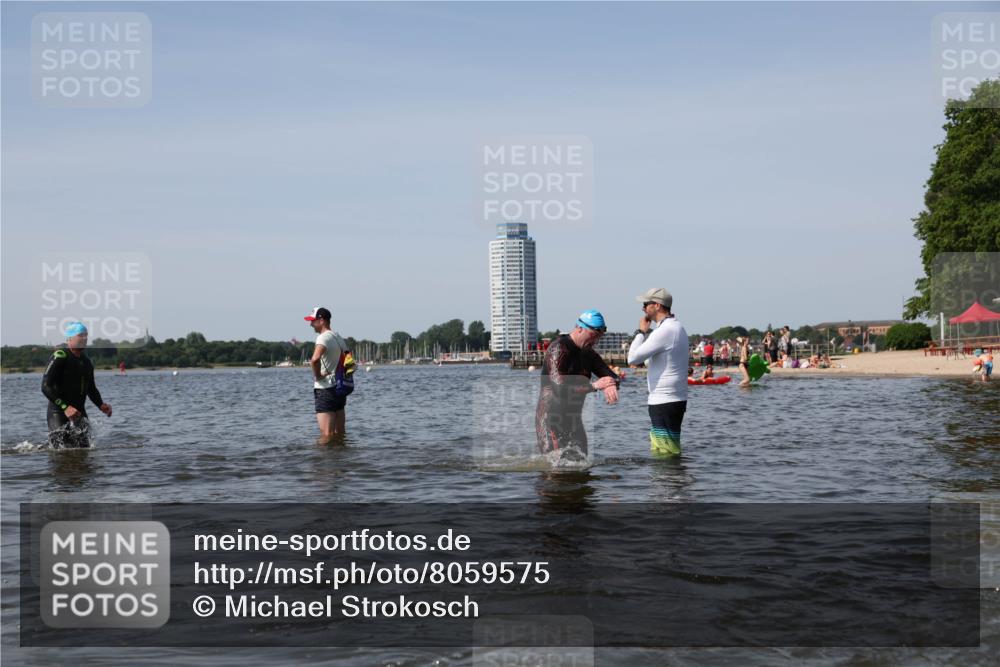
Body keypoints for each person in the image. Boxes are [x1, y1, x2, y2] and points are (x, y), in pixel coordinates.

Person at [535, 310, 619, 460]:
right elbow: (559, 389)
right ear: (580, 328)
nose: (595, 342)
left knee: (582, 467)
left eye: (599, 338)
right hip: (551, 421)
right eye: (593, 336)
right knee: (555, 472)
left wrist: (611, 384)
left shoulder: (588, 353)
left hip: (574, 420)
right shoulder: (559, 349)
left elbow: (612, 376)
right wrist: (594, 386)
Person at [627, 288, 688, 457]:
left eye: (646, 304)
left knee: (665, 454)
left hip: (664, 401)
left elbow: (632, 359)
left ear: (657, 306)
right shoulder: (676, 327)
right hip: (671, 400)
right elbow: (649, 360)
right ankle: (670, 481)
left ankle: (668, 482)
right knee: (666, 450)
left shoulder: (665, 330)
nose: (643, 309)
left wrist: (641, 332)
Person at [40, 322, 112, 448]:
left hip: (79, 412)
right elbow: (45, 386)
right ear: (69, 339)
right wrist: (65, 407)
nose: (84, 338)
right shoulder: (60, 356)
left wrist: (101, 405)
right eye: (80, 335)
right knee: (61, 451)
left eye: (86, 335)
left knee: (85, 449)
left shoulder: (86, 361)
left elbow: (91, 388)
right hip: (59, 412)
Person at [305, 306, 348, 443]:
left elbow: (315, 359)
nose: (310, 324)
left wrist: (318, 376)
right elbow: (349, 361)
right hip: (340, 389)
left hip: (325, 389)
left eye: (313, 321)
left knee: (326, 435)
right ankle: (342, 462)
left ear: (321, 320)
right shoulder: (338, 337)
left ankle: (324, 463)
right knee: (339, 433)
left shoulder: (323, 338)